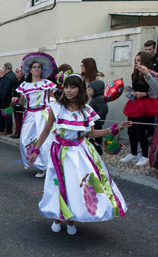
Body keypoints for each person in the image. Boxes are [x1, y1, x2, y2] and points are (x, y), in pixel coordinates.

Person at [29, 74, 131, 235]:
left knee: (76, 186)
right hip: (59, 152)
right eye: (66, 87)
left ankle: (71, 219)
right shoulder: (56, 107)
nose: (68, 90)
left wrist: (115, 128)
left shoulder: (86, 111)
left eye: (73, 87)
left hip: (80, 153)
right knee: (56, 185)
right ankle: (57, 217)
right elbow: (46, 129)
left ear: (80, 89)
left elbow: (90, 134)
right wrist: (36, 149)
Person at [16, 52, 57, 177]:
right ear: (30, 70)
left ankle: (43, 167)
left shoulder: (46, 84)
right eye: (34, 67)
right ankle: (34, 161)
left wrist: (55, 110)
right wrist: (16, 102)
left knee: (43, 140)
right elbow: (22, 101)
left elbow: (53, 99)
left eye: (39, 67)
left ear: (42, 70)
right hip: (30, 114)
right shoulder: (24, 85)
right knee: (25, 139)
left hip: (43, 113)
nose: (36, 69)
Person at [120, 52, 158, 166]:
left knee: (141, 131)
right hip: (134, 103)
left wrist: (143, 94)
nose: (136, 63)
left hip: (146, 105)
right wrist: (130, 90)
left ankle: (144, 156)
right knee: (131, 130)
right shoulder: (134, 74)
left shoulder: (151, 74)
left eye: (138, 61)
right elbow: (135, 88)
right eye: (135, 61)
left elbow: (156, 90)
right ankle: (133, 153)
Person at [0, 62, 17, 134]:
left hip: (7, 99)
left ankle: (8, 130)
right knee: (8, 114)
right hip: (10, 98)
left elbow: (5, 90)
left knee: (7, 115)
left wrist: (2, 100)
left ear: (5, 68)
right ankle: (7, 129)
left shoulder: (7, 77)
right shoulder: (13, 75)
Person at [88, 80, 108, 155]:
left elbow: (103, 111)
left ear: (96, 90)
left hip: (97, 123)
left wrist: (93, 118)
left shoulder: (100, 99)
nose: (89, 91)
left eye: (90, 90)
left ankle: (98, 151)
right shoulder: (94, 99)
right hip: (93, 123)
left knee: (96, 140)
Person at [10, 67, 26, 138]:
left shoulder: (24, 82)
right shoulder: (16, 81)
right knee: (17, 118)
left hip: (21, 102)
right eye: (16, 72)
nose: (16, 74)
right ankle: (17, 131)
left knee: (21, 119)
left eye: (18, 72)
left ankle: (19, 132)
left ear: (22, 73)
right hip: (15, 101)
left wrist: (18, 98)